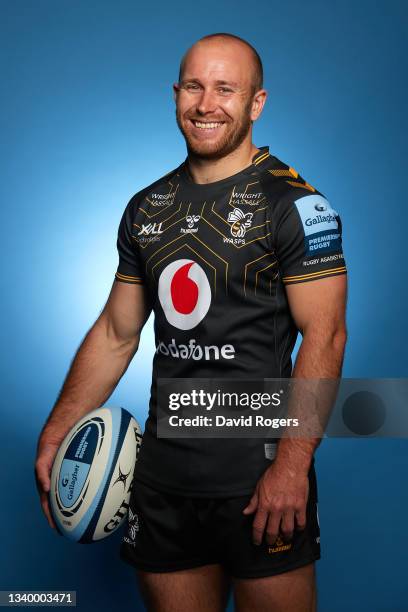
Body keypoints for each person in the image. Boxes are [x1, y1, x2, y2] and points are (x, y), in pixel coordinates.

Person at [35, 32, 348, 612]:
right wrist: (58, 430)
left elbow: (326, 335)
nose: (207, 104)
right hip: (161, 484)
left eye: (226, 89)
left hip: (258, 482)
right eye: (195, 87)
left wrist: (292, 467)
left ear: (256, 103)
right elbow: (116, 332)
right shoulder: (146, 207)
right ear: (175, 94)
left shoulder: (297, 206)